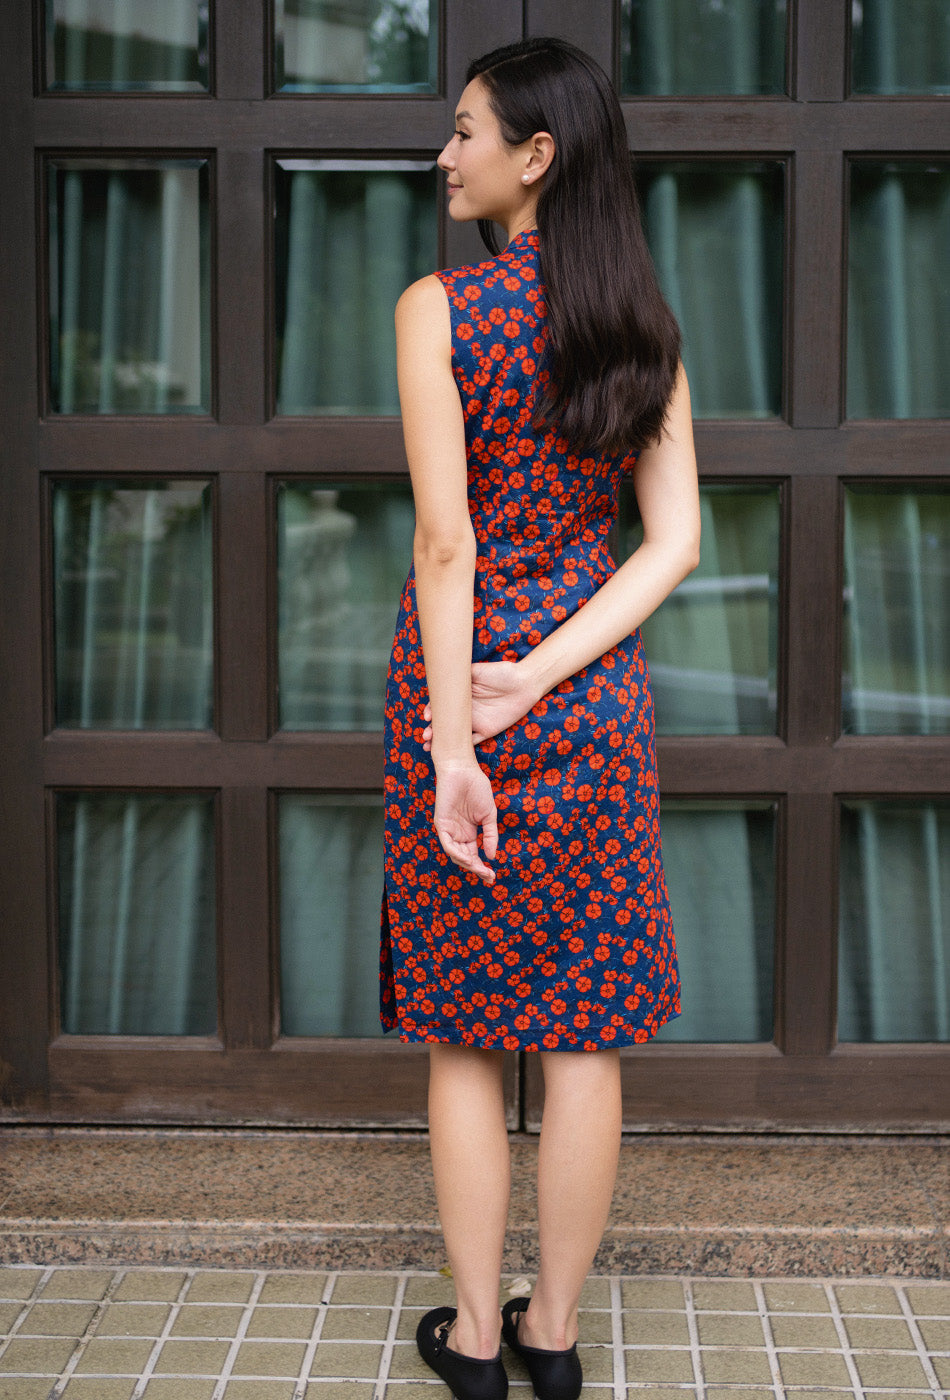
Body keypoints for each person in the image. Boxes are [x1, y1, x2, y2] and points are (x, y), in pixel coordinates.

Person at [380, 36, 699, 1400]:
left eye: (465, 131)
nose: (443, 154)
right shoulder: (636, 322)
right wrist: (550, 670)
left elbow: (446, 546)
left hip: (456, 683)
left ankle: (472, 1340)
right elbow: (672, 542)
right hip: (589, 693)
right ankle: (552, 1338)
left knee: (464, 1030)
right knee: (582, 1035)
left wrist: (459, 734)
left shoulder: (438, 311)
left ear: (536, 153)